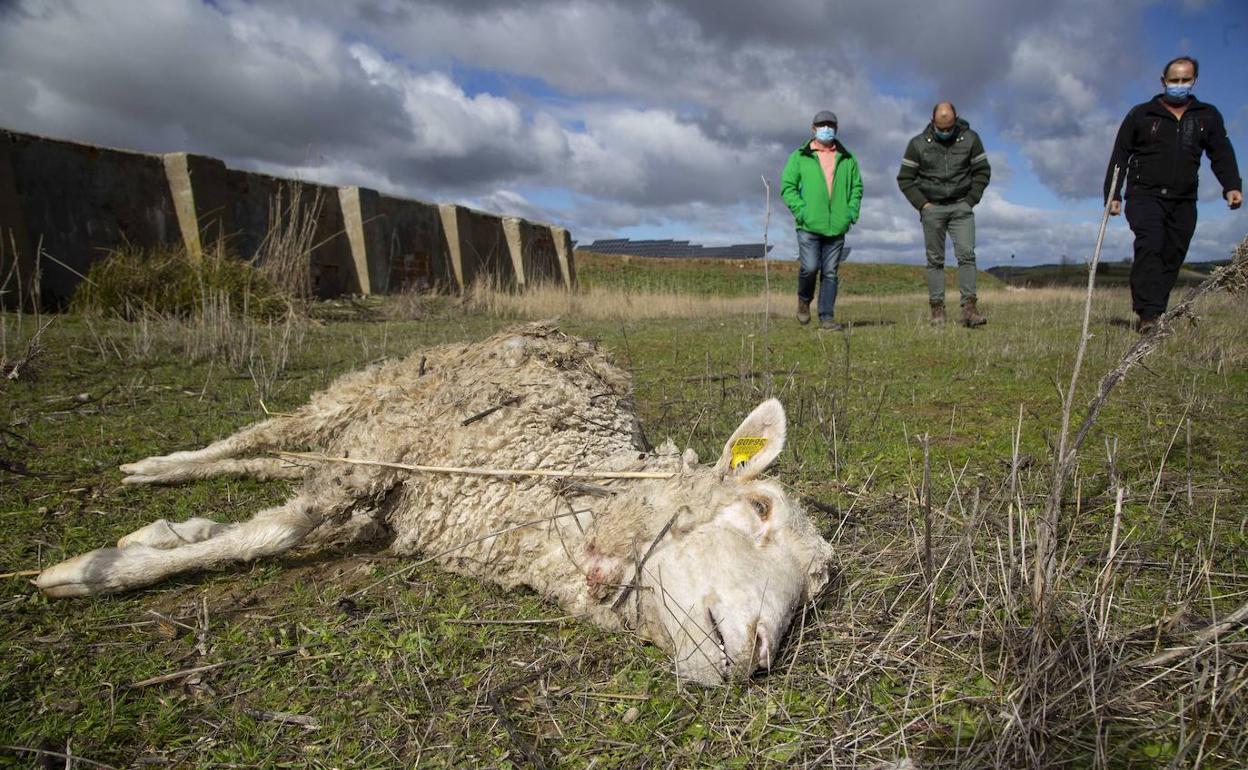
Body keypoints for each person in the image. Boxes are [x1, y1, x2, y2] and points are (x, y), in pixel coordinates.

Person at [1104, 56, 1242, 333]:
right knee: (1151, 244)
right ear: (1163, 81)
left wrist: (1231, 185)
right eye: (1174, 80)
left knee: (1172, 254)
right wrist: (1112, 194)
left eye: (1185, 80)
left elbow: (1221, 154)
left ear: (1194, 81)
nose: (1179, 85)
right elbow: (1120, 155)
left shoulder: (1207, 116)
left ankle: (1158, 309)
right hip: (1144, 194)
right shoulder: (1141, 114)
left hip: (1184, 198)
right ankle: (1148, 315)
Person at [896, 102, 991, 327]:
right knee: (935, 260)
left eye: (949, 128)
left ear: (956, 120)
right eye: (941, 128)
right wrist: (923, 205)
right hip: (932, 208)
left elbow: (982, 171)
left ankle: (969, 308)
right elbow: (905, 179)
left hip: (961, 206)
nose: (945, 132)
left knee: (967, 255)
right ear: (932, 121)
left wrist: (970, 201)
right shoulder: (917, 144)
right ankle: (937, 310)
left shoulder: (971, 139)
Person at [781, 110, 863, 331]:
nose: (826, 128)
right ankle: (804, 300)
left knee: (830, 273)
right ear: (813, 128)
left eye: (830, 125)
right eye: (821, 125)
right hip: (808, 225)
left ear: (836, 129)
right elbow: (787, 187)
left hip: (837, 226)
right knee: (809, 267)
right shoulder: (800, 156)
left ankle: (827, 317)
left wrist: (850, 213)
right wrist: (801, 211)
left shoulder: (847, 158)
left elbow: (857, 187)